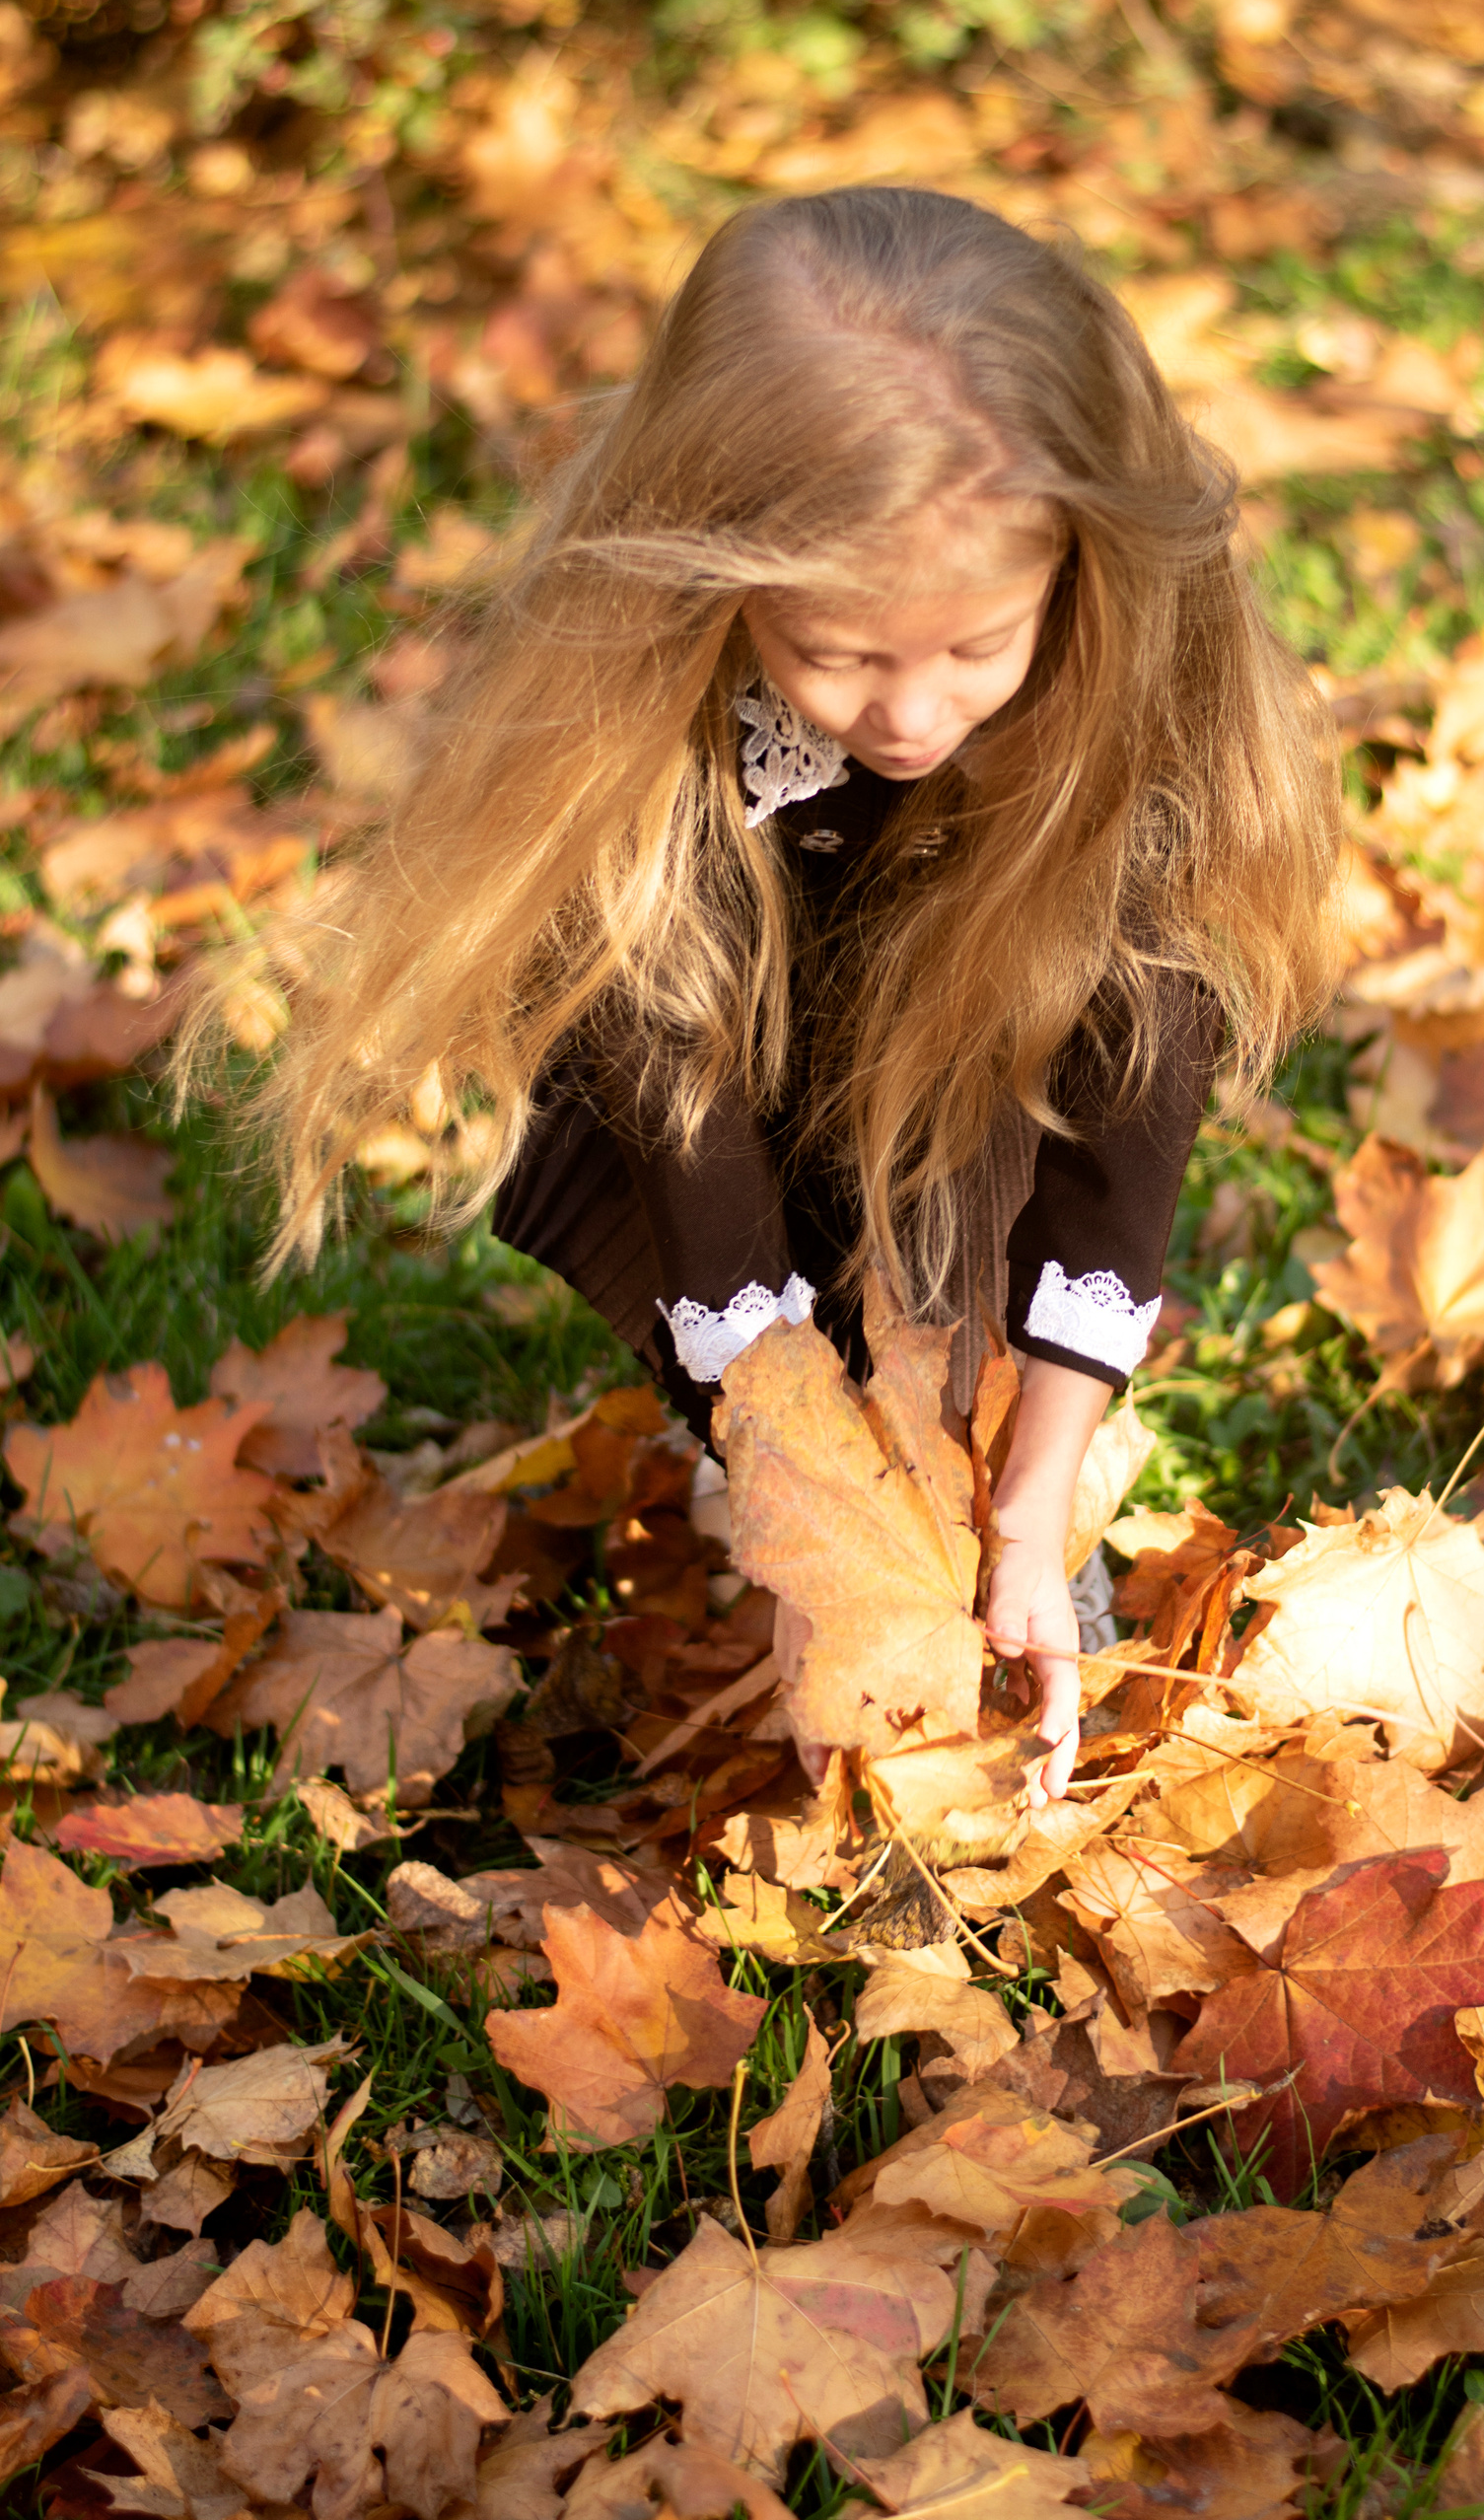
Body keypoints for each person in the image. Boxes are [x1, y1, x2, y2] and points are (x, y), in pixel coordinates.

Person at [233, 186, 1340, 1802]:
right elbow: (677, 1094)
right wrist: (790, 1479)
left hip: (975, 1038)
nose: (912, 714)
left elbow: (1131, 1098)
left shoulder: (1108, 710)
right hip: (737, 1046)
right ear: (720, 576)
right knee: (743, 1263)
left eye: (973, 647)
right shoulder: (653, 740)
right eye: (841, 655)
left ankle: (981, 1509)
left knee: (962, 1244)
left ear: (1067, 569)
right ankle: (803, 1474)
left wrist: (1037, 1483)